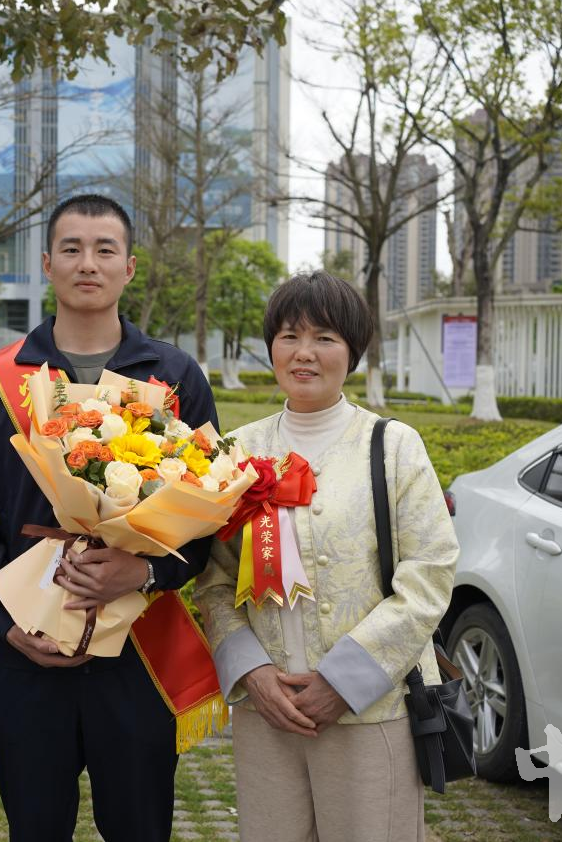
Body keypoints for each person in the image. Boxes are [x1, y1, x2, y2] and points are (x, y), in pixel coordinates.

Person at [0, 194, 218, 842]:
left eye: (104, 250)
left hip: (139, 653)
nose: (87, 263)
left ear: (130, 267)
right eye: (71, 249)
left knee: (139, 827)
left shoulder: (174, 376)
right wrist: (5, 622)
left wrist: (145, 572)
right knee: (35, 827)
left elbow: (209, 513)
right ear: (47, 264)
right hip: (31, 649)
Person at [193, 271, 458, 841]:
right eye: (289, 336)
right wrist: (253, 674)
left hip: (370, 711)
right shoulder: (237, 451)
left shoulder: (392, 447)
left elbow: (430, 574)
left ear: (352, 351)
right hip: (268, 714)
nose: (304, 353)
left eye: (324, 338)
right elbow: (214, 580)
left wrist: (343, 680)